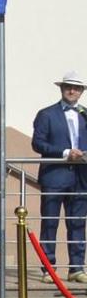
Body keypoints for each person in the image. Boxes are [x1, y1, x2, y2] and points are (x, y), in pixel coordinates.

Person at [31, 71, 86, 283]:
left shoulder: (85, 114)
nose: (72, 91)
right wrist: (65, 153)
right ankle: (48, 269)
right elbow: (38, 143)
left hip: (81, 178)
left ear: (81, 92)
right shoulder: (46, 114)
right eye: (68, 87)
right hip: (54, 176)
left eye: (76, 88)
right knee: (50, 223)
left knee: (78, 223)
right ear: (61, 89)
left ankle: (76, 268)